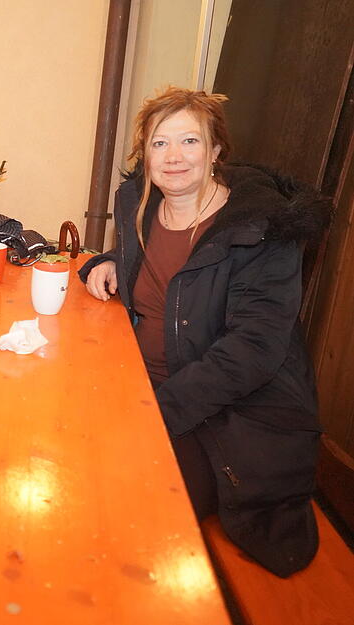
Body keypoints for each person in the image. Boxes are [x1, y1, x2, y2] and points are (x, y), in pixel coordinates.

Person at [80, 87, 329, 577]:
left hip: (228, 414)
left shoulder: (261, 229)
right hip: (143, 386)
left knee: (131, 519)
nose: (173, 157)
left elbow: (253, 349)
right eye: (159, 143)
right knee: (67, 456)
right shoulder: (140, 204)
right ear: (144, 155)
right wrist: (107, 261)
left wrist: (157, 414)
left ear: (216, 151)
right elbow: (168, 275)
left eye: (189, 141)